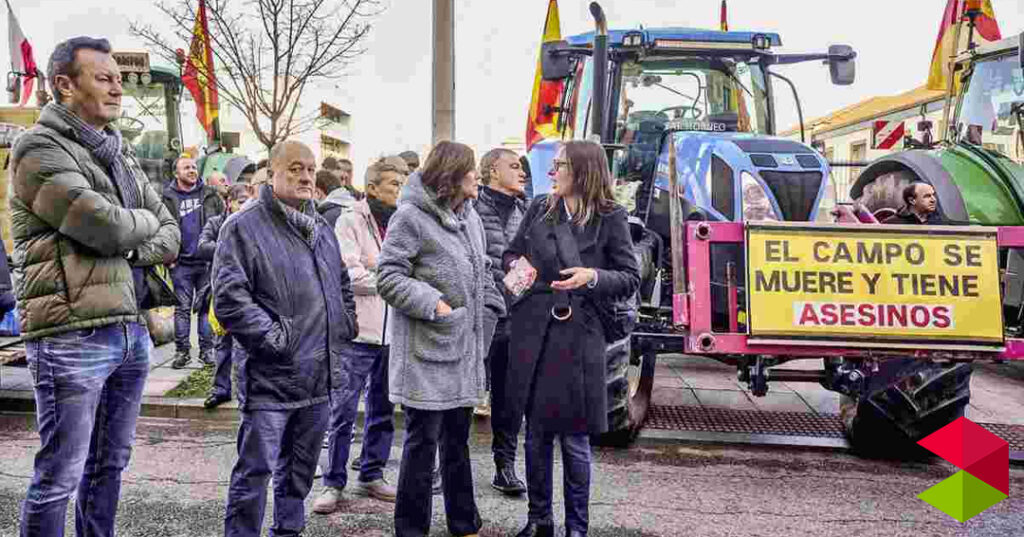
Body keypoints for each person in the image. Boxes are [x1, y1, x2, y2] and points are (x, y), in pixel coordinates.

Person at [12, 36, 180, 536]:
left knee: (109, 467)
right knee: (59, 475)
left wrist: (131, 242)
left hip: (129, 329)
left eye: (119, 79)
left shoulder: (118, 153)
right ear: (64, 85)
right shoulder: (38, 148)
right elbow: (104, 226)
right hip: (71, 334)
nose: (117, 89)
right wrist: (134, 229)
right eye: (103, 78)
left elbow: (169, 233)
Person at [214, 140, 357, 537]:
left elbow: (341, 283)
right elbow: (230, 300)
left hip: (319, 378)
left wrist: (343, 326)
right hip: (271, 379)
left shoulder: (321, 227)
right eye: (295, 168)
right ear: (271, 173)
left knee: (299, 475)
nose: (306, 176)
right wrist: (279, 341)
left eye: (310, 169)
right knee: (254, 474)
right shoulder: (242, 226)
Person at [503, 140, 639, 537]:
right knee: (536, 433)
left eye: (559, 165)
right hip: (534, 330)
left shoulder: (611, 216)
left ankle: (576, 528)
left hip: (580, 335)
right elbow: (510, 254)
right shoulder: (539, 207)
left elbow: (630, 277)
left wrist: (591, 277)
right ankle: (539, 520)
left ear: (582, 171)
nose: (551, 173)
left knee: (575, 437)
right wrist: (519, 271)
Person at [378, 141, 505, 537]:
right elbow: (388, 277)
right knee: (421, 445)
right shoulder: (411, 218)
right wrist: (435, 305)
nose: (478, 177)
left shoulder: (470, 218)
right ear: (451, 176)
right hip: (427, 352)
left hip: (463, 351)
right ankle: (410, 528)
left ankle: (463, 521)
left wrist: (492, 302)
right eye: (471, 170)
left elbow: (479, 268)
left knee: (458, 441)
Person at [313, 156, 407, 513]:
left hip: (392, 333)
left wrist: (377, 271)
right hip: (356, 333)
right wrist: (391, 278)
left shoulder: (401, 222)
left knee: (384, 409)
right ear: (372, 188)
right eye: (394, 185)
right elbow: (349, 276)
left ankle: (372, 473)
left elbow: (408, 271)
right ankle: (333, 483)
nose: (400, 191)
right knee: (343, 413)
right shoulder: (349, 220)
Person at [475, 148, 529, 495]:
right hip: (480, 315)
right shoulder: (472, 208)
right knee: (461, 393)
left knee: (509, 399)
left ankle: (504, 466)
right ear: (492, 171)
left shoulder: (528, 209)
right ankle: (439, 466)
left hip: (517, 316)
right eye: (513, 166)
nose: (522, 171)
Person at [162, 156, 225, 368]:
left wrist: (218, 253)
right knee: (182, 309)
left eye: (193, 167)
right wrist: (168, 257)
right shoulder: (167, 197)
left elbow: (223, 223)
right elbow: (160, 227)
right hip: (180, 264)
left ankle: (207, 351)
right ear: (176, 173)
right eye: (186, 167)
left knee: (206, 307)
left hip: (207, 262)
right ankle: (182, 352)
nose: (192, 170)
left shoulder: (210, 194)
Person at [197, 184, 251, 409]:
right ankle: (221, 389)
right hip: (221, 291)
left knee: (245, 345)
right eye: (240, 200)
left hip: (247, 292)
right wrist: (227, 245)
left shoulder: (253, 223)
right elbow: (202, 246)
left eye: (247, 200)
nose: (244, 205)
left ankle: (245, 392)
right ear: (229, 202)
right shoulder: (216, 223)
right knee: (222, 342)